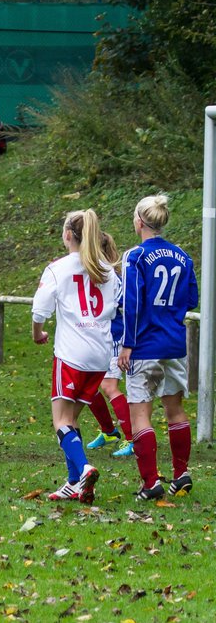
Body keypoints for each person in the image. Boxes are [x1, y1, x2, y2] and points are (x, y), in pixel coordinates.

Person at [30, 210, 119, 503]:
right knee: (72, 419)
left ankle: (83, 469)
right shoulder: (108, 269)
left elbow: (40, 309)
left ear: (68, 234)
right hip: (100, 354)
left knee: (60, 420)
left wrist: (37, 333)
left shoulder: (59, 268)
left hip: (71, 353)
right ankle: (72, 482)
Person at [117, 194, 198, 500]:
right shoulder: (183, 256)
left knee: (141, 414)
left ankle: (150, 483)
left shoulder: (135, 256)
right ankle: (181, 474)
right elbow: (191, 300)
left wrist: (128, 344)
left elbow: (133, 303)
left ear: (139, 222)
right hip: (175, 345)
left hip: (145, 345)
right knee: (175, 410)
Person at [84, 231, 135, 457]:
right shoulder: (87, 274)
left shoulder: (114, 277)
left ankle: (133, 439)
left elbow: (125, 306)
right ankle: (109, 432)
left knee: (109, 387)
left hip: (112, 337)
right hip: (91, 338)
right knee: (88, 386)